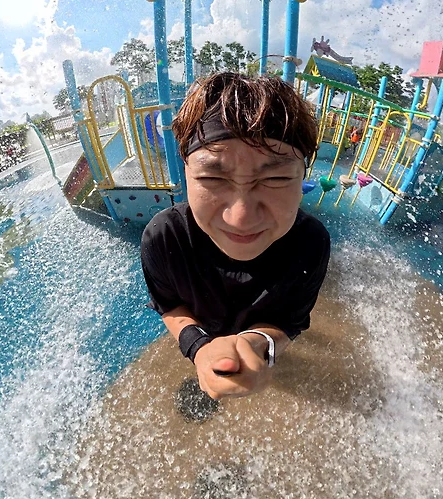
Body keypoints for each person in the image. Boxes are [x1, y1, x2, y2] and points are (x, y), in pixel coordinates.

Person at [140, 71, 330, 402]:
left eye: (276, 179)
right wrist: (198, 347)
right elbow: (168, 304)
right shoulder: (165, 237)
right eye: (212, 178)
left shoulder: (310, 243)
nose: (241, 217)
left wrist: (257, 344)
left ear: (304, 178)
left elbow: (290, 320)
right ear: (185, 174)